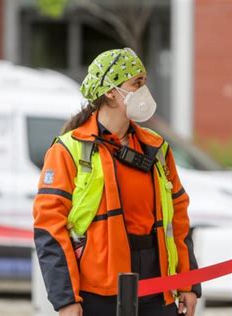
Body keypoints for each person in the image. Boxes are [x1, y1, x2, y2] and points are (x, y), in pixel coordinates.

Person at [33, 48, 201, 316]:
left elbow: (177, 221)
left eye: (144, 82)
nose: (144, 90)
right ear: (110, 91)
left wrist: (187, 283)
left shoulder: (156, 148)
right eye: (136, 83)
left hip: (158, 290)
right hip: (99, 293)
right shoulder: (69, 150)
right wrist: (66, 299)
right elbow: (49, 229)